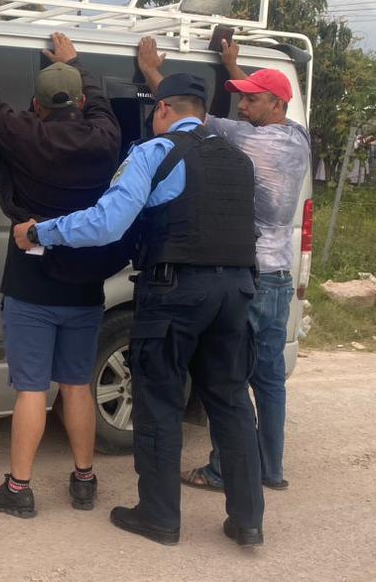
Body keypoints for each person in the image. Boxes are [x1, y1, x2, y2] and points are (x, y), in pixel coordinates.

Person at [14, 72, 265, 548]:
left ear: (164, 110)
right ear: (205, 113)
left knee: (159, 403)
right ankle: (248, 519)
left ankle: (159, 516)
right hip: (236, 291)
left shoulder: (155, 153)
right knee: (232, 403)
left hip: (176, 293)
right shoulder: (238, 159)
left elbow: (107, 222)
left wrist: (40, 232)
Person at [0, 25, 121, 519]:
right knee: (75, 385)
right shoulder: (104, 139)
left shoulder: (24, 134)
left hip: (29, 281)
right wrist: (76, 59)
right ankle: (84, 480)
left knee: (31, 388)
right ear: (81, 100)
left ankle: (19, 489)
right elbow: (103, 105)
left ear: (37, 105)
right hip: (84, 284)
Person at [136, 37, 310, 493]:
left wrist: (152, 71)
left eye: (252, 98)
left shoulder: (249, 141)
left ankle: (222, 468)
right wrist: (232, 64)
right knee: (269, 379)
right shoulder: (297, 136)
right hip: (281, 276)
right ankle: (270, 467)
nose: (244, 104)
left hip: (249, 274)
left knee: (227, 380)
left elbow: (188, 117)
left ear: (276, 103)